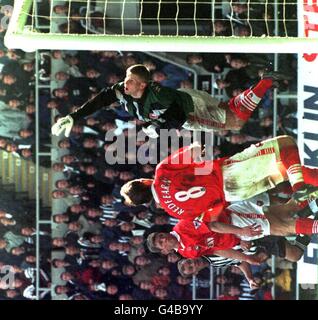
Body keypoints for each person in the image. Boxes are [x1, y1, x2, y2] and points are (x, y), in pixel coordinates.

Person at [51, 64, 287, 138]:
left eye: (130, 81)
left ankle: (266, 81)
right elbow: (100, 100)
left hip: (190, 110)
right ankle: (263, 83)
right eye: (126, 79)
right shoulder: (122, 91)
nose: (125, 83)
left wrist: (157, 128)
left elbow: (178, 118)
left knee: (234, 123)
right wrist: (74, 116)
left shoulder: (158, 96)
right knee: (227, 110)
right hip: (190, 99)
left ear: (143, 84)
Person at [120, 136, 318, 221]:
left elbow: (213, 214)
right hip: (228, 173)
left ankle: (303, 187)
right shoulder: (162, 172)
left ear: (147, 202)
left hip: (235, 194)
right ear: (143, 181)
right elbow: (196, 151)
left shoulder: (176, 212)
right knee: (285, 145)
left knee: (287, 170)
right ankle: (300, 191)